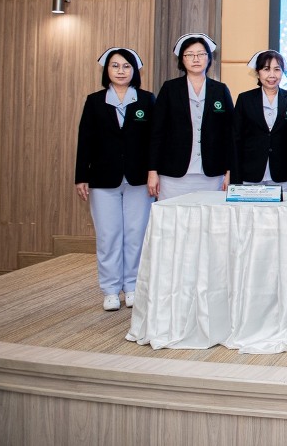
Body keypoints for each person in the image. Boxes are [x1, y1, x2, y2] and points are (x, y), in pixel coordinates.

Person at [75, 48, 155, 311]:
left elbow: (154, 141)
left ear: (135, 71)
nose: (121, 71)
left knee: (135, 234)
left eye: (126, 66)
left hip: (138, 179)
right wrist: (81, 176)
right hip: (102, 178)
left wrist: (154, 172)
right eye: (115, 66)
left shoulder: (146, 99)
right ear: (106, 70)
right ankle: (110, 289)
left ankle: (132, 286)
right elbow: (85, 140)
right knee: (108, 236)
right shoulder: (95, 101)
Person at [148, 34, 234, 201]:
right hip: (173, 175)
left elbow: (229, 134)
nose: (196, 59)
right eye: (189, 54)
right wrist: (152, 171)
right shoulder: (170, 89)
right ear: (182, 59)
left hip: (212, 174)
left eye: (201, 54)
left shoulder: (220, 90)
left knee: (210, 217)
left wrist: (230, 170)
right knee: (173, 217)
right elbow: (157, 132)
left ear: (209, 58)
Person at [230, 50, 287, 192]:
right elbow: (236, 139)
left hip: (283, 174)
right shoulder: (245, 99)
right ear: (258, 72)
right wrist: (235, 178)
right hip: (250, 173)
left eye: (277, 69)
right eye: (266, 69)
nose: (272, 75)